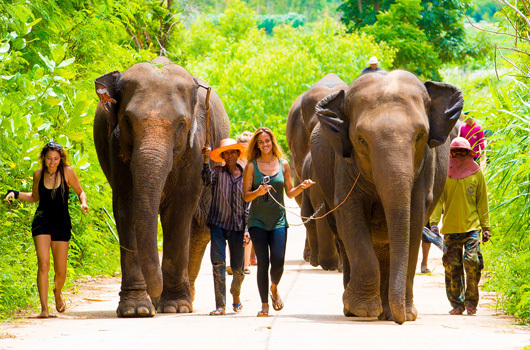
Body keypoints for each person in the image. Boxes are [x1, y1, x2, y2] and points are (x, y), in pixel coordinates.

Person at [5, 142, 88, 318]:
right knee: (43, 264)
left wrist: (83, 203)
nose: (52, 162)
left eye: (56, 159)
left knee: (61, 271)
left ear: (61, 158)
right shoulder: (38, 174)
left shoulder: (67, 172)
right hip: (42, 222)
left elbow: (80, 192)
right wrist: (16, 193)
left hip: (62, 223)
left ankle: (57, 293)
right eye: (49, 158)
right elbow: (35, 197)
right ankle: (44, 309)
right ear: (43, 158)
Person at [242, 127, 315, 317]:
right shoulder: (252, 166)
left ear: (272, 142)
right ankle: (264, 305)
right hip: (257, 220)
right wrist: (258, 192)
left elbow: (290, 193)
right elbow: (245, 195)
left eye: (267, 141)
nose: (264, 144)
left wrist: (301, 187)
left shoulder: (283, 164)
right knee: (263, 263)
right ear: (256, 145)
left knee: (278, 262)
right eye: (260, 142)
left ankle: (274, 288)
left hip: (278, 221)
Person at [430, 137, 491, 316]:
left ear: (468, 152)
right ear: (450, 153)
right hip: (450, 229)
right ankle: (457, 304)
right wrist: (434, 223)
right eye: (455, 151)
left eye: (461, 151)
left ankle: (471, 302)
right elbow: (438, 199)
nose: (458, 154)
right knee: (451, 266)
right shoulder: (445, 175)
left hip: (471, 228)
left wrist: (486, 227)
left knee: (472, 262)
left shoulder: (477, 173)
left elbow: (483, 202)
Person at [202, 138, 250, 315]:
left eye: (232, 152)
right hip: (218, 225)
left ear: (237, 154)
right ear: (222, 156)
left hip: (238, 226)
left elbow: (249, 204)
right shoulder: (217, 172)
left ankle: (235, 294)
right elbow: (205, 180)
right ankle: (220, 305)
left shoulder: (246, 176)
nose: (230, 155)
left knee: (239, 271)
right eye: (226, 153)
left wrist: (247, 229)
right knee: (218, 264)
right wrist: (206, 160)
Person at [236, 131, 255, 275]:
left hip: (249, 198)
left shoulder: (253, 162)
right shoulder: (233, 161)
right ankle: (237, 263)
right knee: (236, 231)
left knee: (248, 231)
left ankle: (245, 262)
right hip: (235, 200)